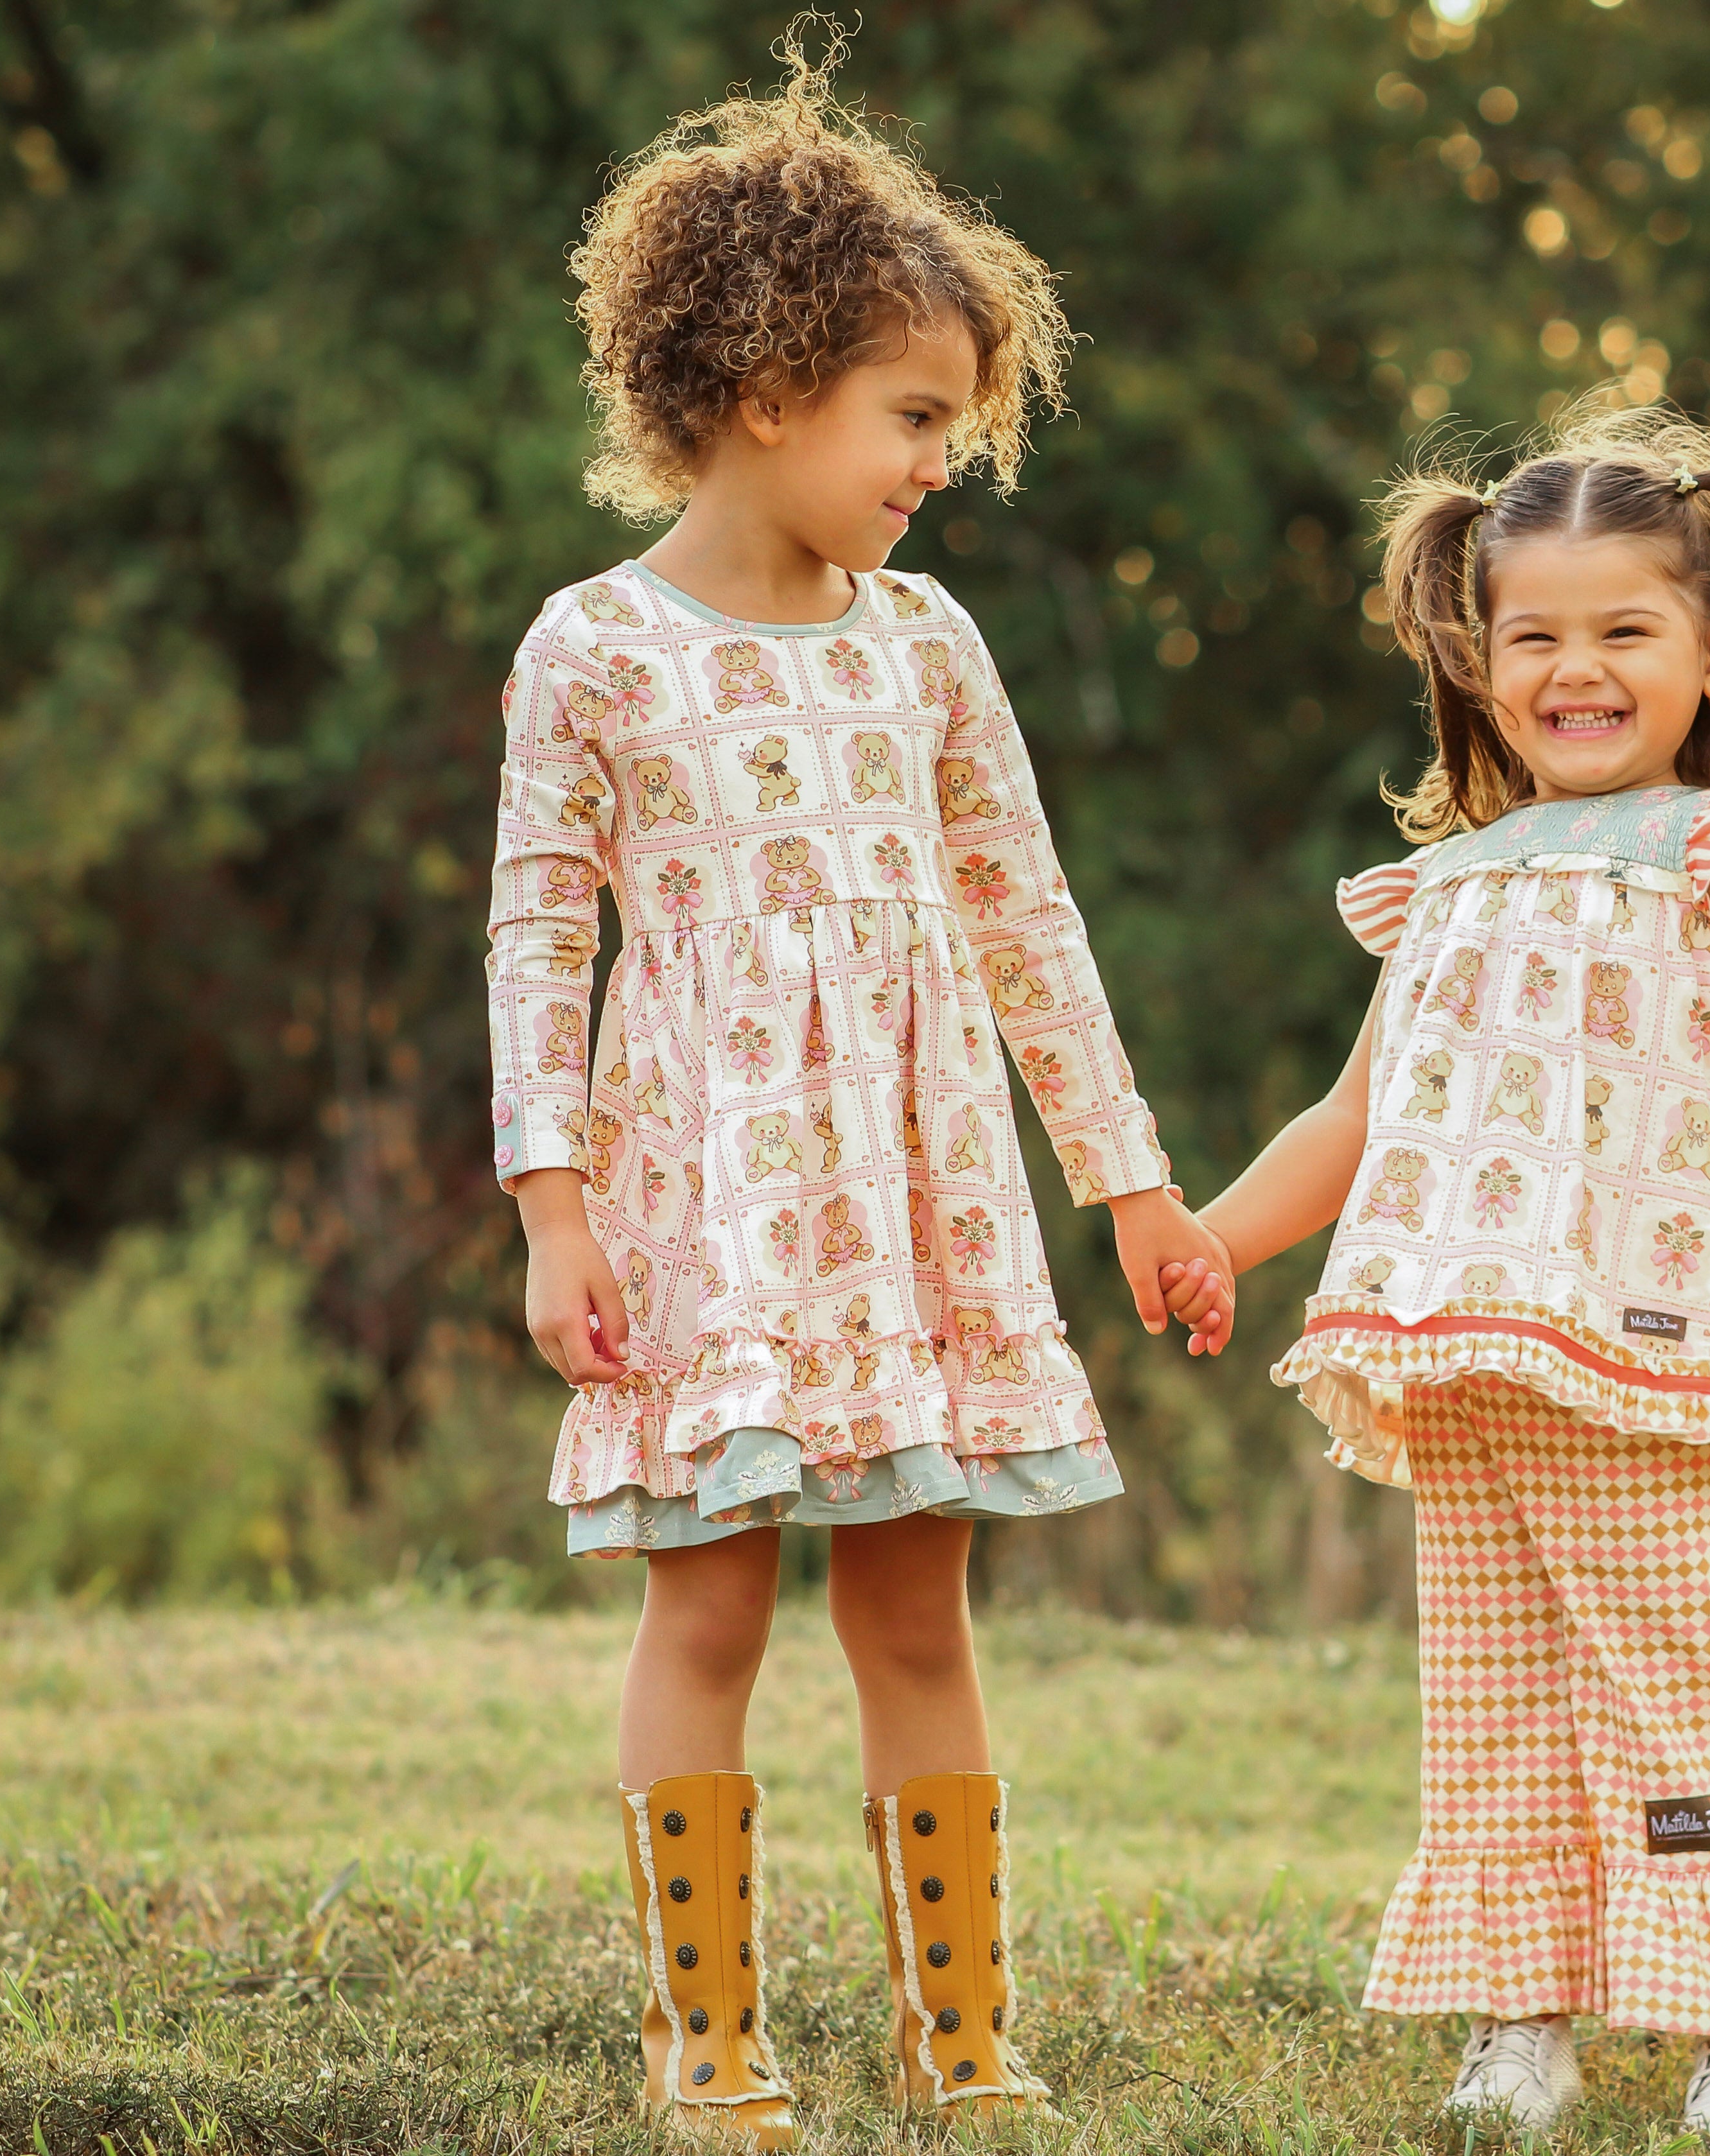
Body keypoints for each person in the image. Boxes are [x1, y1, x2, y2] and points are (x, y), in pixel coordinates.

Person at [483, 57, 1230, 2147]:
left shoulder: (929, 647)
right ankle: (705, 2039)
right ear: (758, 388)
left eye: (959, 428)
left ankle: (962, 2032)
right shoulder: (596, 649)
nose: (942, 469)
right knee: (708, 1587)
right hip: (701, 1199)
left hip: (921, 1196)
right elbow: (539, 939)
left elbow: (1028, 925)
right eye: (916, 419)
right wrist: (554, 1203)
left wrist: (1137, 1188)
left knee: (920, 1590)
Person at [1162, 404, 1710, 2146]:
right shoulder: (1444, 883)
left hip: (1636, 1348)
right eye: (1538, 637)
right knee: (1497, 1702)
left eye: (1625, 634)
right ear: (1481, 656)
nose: (1577, 669)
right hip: (1460, 1351)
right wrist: (1215, 1235)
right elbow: (1352, 1117)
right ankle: (1526, 2022)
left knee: (1664, 1677)